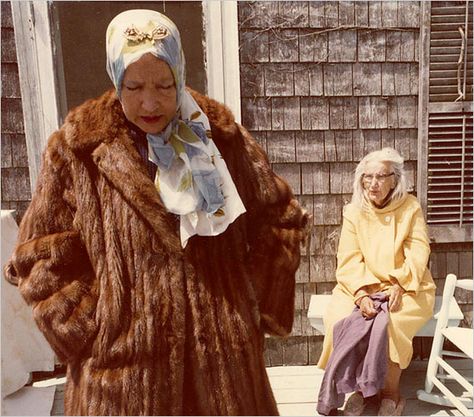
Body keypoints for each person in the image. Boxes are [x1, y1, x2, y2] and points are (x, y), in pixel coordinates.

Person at [3, 9, 308, 416]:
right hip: (122, 376)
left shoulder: (220, 138)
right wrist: (88, 325)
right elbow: (39, 254)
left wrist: (251, 300)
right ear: (115, 79)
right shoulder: (79, 150)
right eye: (134, 86)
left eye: (165, 85)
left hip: (222, 368)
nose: (151, 101)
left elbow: (278, 216)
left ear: (180, 74)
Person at [316, 147, 436, 416]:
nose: (373, 183)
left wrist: (400, 283)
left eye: (381, 176)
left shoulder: (410, 208)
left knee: (390, 324)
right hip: (360, 284)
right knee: (341, 320)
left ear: (395, 179)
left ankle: (391, 393)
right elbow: (348, 256)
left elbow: (419, 251)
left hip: (407, 284)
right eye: (367, 177)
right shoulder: (354, 211)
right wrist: (360, 293)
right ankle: (360, 390)